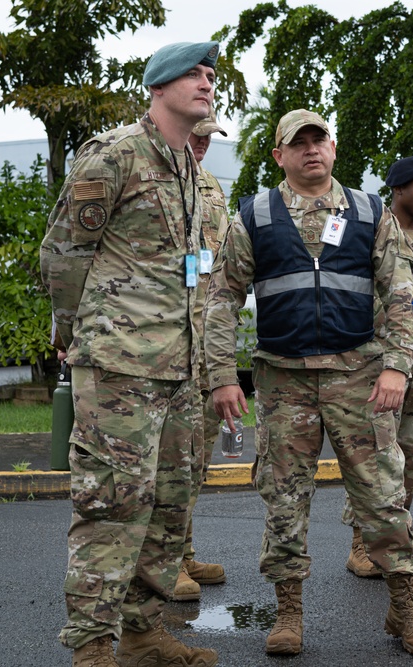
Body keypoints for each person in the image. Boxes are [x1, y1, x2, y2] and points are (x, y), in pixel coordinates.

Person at [204, 109, 413, 659]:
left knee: (383, 497)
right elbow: (219, 300)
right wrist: (222, 376)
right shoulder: (253, 216)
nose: (311, 150)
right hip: (282, 381)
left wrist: (396, 367)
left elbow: (404, 294)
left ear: (333, 149)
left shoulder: (369, 210)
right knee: (284, 501)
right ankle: (289, 614)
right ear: (279, 155)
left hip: (359, 376)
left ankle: (404, 608)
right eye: (298, 143)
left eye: (320, 140)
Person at [40, 41, 221, 667]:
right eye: (194, 74)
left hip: (181, 370)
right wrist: (72, 334)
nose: (206, 83)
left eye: (210, 75)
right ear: (158, 85)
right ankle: (93, 648)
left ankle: (144, 634)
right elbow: (63, 253)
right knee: (112, 507)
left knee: (170, 506)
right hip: (119, 367)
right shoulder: (116, 154)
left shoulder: (190, 170)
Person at [344, 156, 413, 577]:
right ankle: (360, 545)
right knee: (375, 456)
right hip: (379, 361)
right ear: (400, 189)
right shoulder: (370, 234)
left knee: (410, 455)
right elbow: (356, 297)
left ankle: (396, 540)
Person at [173, 111, 230, 602]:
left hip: (206, 341)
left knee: (196, 458)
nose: (202, 145)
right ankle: (162, 561)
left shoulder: (211, 186)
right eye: (196, 136)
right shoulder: (148, 174)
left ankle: (182, 551)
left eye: (208, 139)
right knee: (166, 461)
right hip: (161, 342)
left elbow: (223, 262)